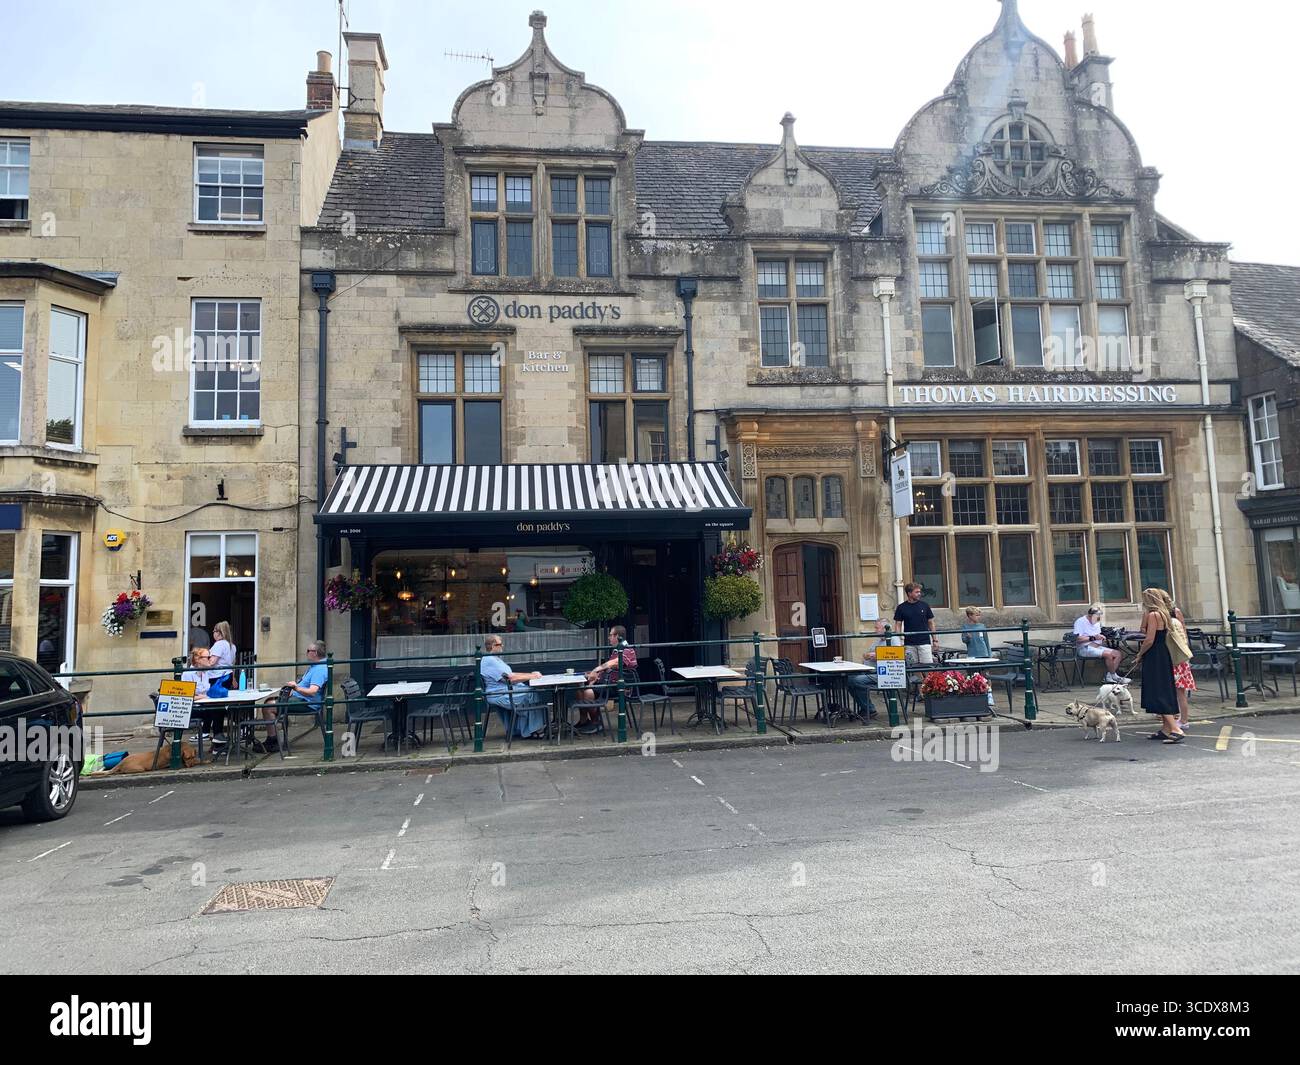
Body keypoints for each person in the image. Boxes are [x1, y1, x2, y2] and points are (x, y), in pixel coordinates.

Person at [256, 640, 329, 753]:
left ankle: (273, 741)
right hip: (301, 698)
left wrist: (296, 688)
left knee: (268, 706)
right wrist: (293, 688)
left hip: (308, 703)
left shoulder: (319, 669)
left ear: (315, 653)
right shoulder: (315, 666)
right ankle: (273, 738)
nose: (306, 653)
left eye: (308, 651)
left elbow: (313, 691)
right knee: (270, 701)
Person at [1134, 589, 1183, 744]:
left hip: (1155, 655)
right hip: (1163, 654)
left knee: (1157, 691)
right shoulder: (1163, 614)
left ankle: (1175, 729)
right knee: (1163, 688)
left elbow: (1149, 640)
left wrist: (1139, 654)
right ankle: (1165, 729)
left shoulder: (1153, 615)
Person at [480, 634, 549, 740]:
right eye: (500, 644)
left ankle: (526, 729)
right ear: (493, 645)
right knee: (531, 693)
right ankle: (534, 729)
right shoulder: (489, 660)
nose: (502, 646)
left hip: (504, 690)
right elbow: (511, 679)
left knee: (531, 691)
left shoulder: (495, 659)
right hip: (499, 693)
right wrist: (532, 676)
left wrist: (531, 675)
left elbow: (511, 674)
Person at [577, 625, 638, 735]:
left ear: (617, 636)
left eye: (610, 635)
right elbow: (609, 669)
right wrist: (596, 676)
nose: (609, 638)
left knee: (588, 693)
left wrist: (596, 669)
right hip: (610, 683)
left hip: (620, 687)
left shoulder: (627, 649)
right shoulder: (617, 649)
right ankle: (584, 721)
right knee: (579, 689)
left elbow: (614, 663)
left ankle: (596, 723)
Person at [1159, 591, 1196, 732]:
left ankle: (1184, 720)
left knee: (1180, 692)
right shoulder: (1164, 615)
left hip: (1178, 657)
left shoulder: (1174, 614)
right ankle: (1178, 718)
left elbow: (1182, 632)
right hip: (1179, 657)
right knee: (1176, 692)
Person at [846, 621, 887, 719]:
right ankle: (865, 708)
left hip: (882, 674)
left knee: (857, 681)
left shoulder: (893, 640)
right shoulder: (877, 641)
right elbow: (868, 654)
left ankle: (870, 709)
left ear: (885, 628)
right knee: (849, 679)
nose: (875, 630)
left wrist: (876, 656)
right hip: (869, 671)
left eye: (877, 628)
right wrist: (867, 655)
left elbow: (894, 657)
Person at [1074, 606, 1125, 683]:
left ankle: (1109, 676)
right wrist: (1093, 638)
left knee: (1118, 654)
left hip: (1097, 647)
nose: (1097, 620)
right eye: (1096, 617)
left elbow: (1097, 635)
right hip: (1085, 648)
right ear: (1090, 615)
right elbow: (1077, 639)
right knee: (1108, 654)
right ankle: (1114, 676)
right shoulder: (1080, 622)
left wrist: (1102, 637)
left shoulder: (1097, 622)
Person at [894, 583, 938, 666]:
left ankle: (928, 679)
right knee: (913, 666)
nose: (919, 594)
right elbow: (898, 624)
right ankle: (920, 680)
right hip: (909, 643)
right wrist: (898, 641)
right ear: (909, 593)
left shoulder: (924, 605)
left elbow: (931, 623)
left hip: (924, 641)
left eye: (919, 592)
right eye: (917, 592)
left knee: (928, 666)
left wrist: (935, 640)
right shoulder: (901, 607)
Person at [209, 621, 237, 689]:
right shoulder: (232, 646)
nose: (213, 633)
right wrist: (233, 678)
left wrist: (200, 661)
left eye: (214, 631)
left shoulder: (219, 644)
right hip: (228, 675)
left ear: (219, 633)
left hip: (217, 677)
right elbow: (232, 664)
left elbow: (212, 662)